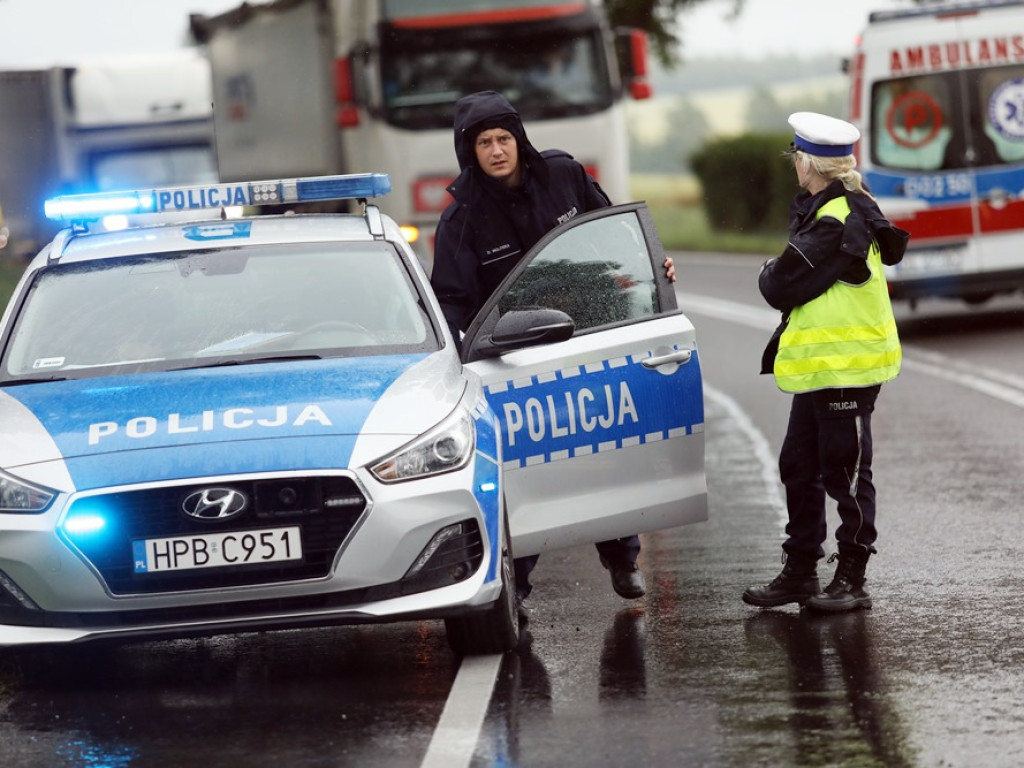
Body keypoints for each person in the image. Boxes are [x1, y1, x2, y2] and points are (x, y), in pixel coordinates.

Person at [430, 90, 674, 606]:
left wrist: (654, 268)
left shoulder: (565, 175)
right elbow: (452, 301)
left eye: (504, 138)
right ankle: (516, 584)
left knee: (609, 451)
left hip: (592, 337)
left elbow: (615, 238)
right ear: (468, 151)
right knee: (526, 472)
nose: (497, 150)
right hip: (515, 357)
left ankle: (623, 557)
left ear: (520, 140)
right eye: (484, 143)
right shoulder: (461, 219)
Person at [742, 112, 908, 614]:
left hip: (847, 370)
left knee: (847, 474)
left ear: (807, 163)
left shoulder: (837, 218)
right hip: (823, 370)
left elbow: (779, 285)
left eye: (796, 158)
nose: (794, 165)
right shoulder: (831, 208)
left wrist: (770, 267)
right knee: (799, 465)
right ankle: (800, 574)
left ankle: (852, 580)